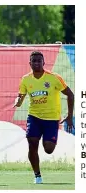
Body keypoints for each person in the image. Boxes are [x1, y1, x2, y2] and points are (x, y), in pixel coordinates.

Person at [13, 51, 74, 184]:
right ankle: (37, 176)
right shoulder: (25, 79)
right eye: (33, 61)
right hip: (34, 117)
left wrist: (69, 116)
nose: (36, 63)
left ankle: (47, 138)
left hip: (51, 119)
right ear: (30, 63)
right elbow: (21, 96)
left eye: (38, 61)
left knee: (48, 149)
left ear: (43, 63)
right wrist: (18, 100)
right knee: (32, 143)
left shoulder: (54, 78)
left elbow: (71, 94)